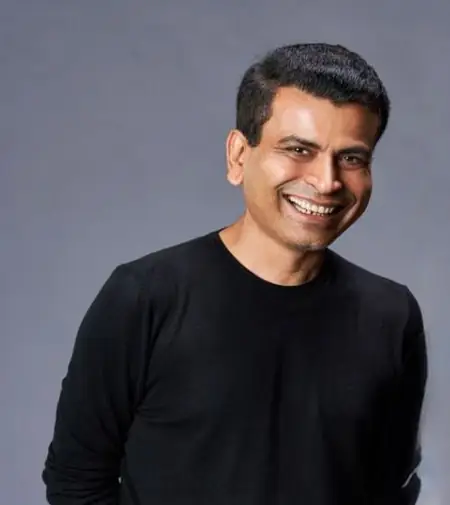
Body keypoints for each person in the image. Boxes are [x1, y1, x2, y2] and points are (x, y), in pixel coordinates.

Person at [42, 43, 428, 505]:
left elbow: (392, 490)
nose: (326, 181)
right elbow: (76, 483)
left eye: (351, 158)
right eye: (298, 149)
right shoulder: (145, 297)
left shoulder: (392, 315)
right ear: (239, 156)